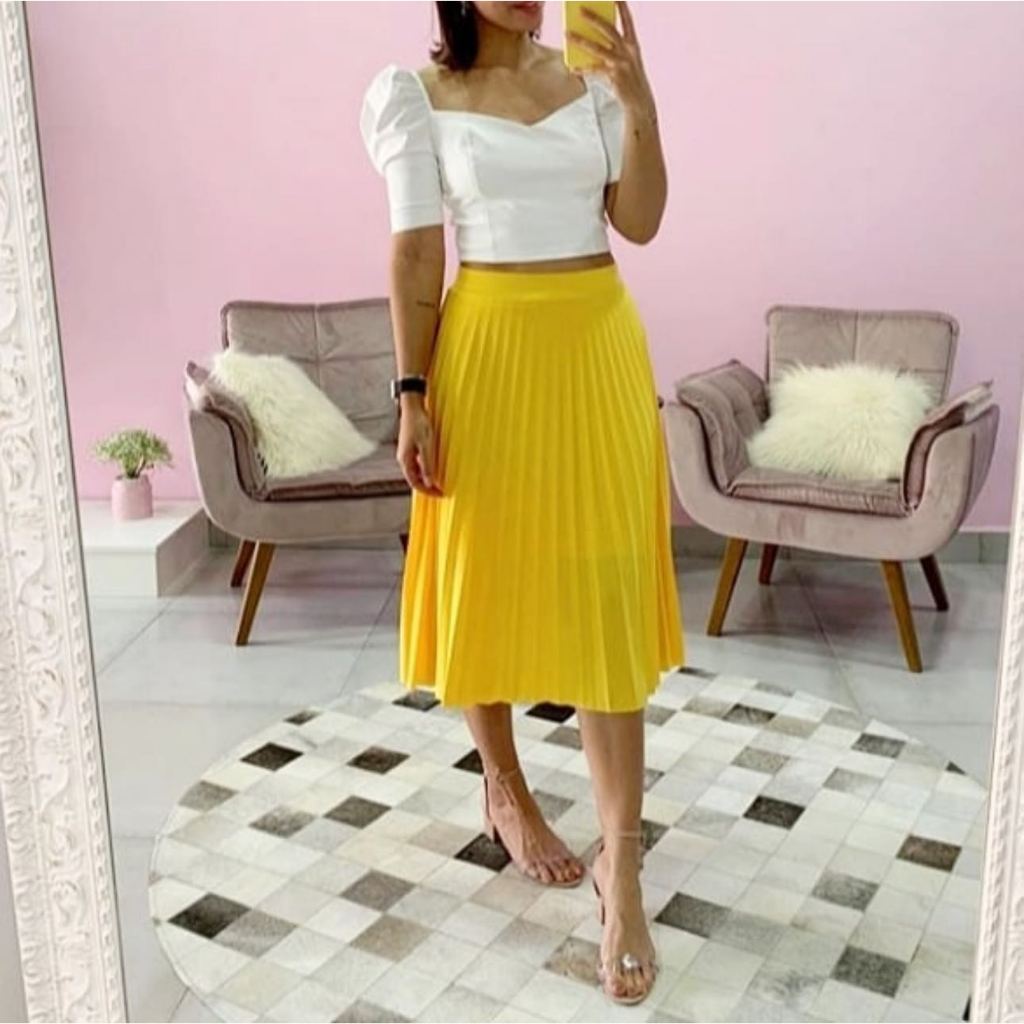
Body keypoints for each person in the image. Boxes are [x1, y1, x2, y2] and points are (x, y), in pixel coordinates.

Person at [360, 0, 684, 1005]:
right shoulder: (414, 97)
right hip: (489, 350)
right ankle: (503, 787)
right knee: (484, 576)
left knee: (606, 596)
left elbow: (639, 222)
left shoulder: (588, 80)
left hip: (595, 344)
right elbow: (418, 256)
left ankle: (621, 865)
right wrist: (412, 395)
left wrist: (639, 101)